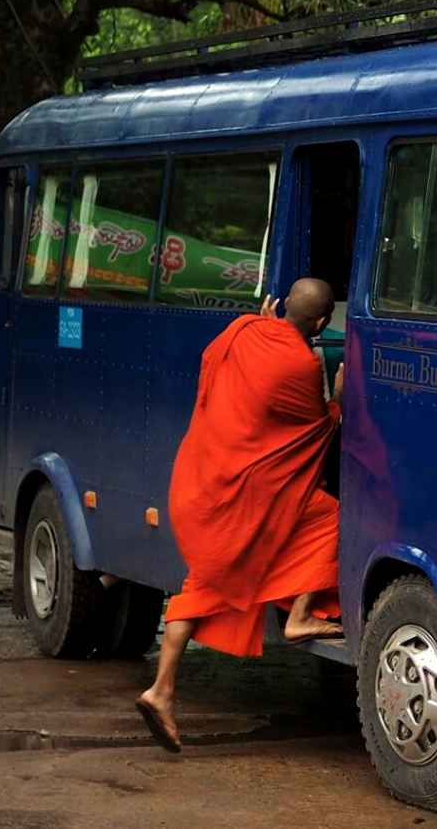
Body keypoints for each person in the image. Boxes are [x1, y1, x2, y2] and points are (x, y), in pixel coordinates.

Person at [135, 278, 347, 753]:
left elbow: (212, 370)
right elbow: (312, 431)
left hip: (206, 480)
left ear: (281, 305)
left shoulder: (242, 329)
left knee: (204, 581)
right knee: (333, 517)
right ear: (321, 323)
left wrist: (263, 328)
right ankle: (299, 616)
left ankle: (162, 689)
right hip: (253, 492)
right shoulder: (299, 361)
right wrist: (338, 399)